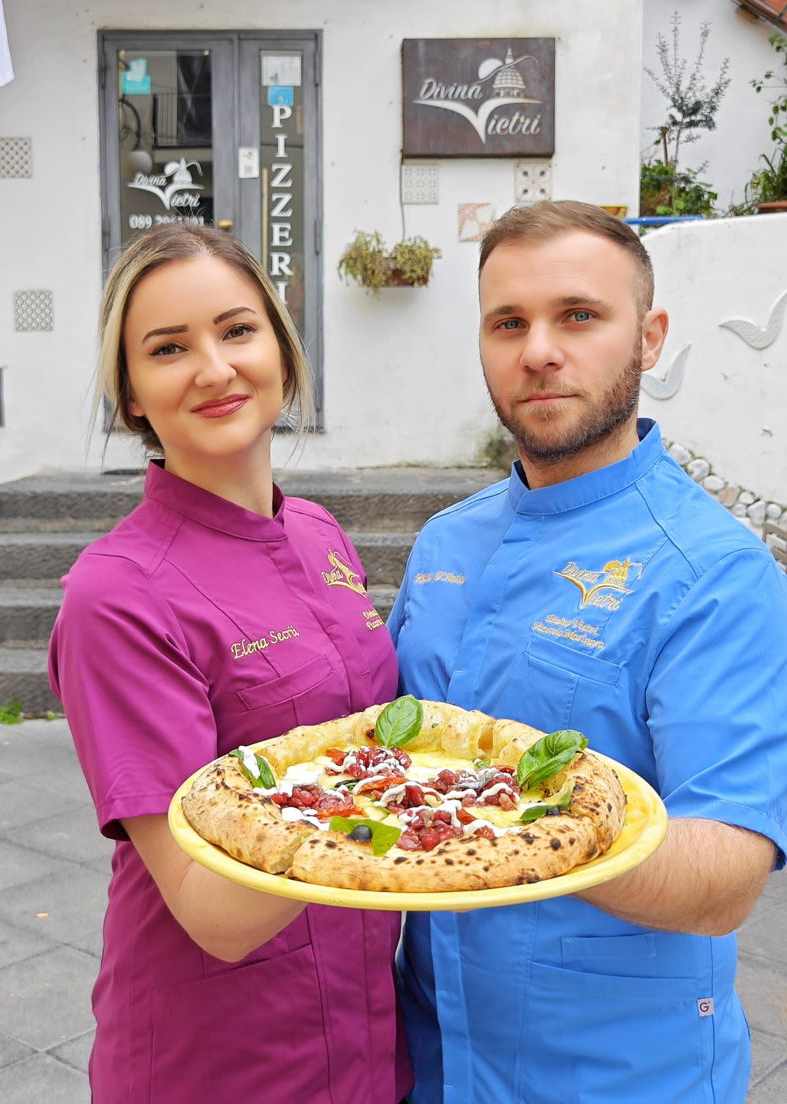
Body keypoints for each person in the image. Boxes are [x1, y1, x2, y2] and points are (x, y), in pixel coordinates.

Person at [388, 200, 787, 1104]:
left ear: (649, 339)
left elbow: (725, 872)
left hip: (616, 1073)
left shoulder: (713, 572)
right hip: (433, 1056)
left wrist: (494, 833)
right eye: (508, 323)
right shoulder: (445, 545)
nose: (538, 350)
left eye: (578, 315)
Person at [48, 223, 412, 1104]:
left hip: (370, 1034)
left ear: (283, 355)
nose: (213, 368)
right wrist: (425, 804)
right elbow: (212, 911)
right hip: (220, 1059)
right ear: (132, 394)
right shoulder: (118, 595)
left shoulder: (319, 531)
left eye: (237, 330)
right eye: (168, 348)